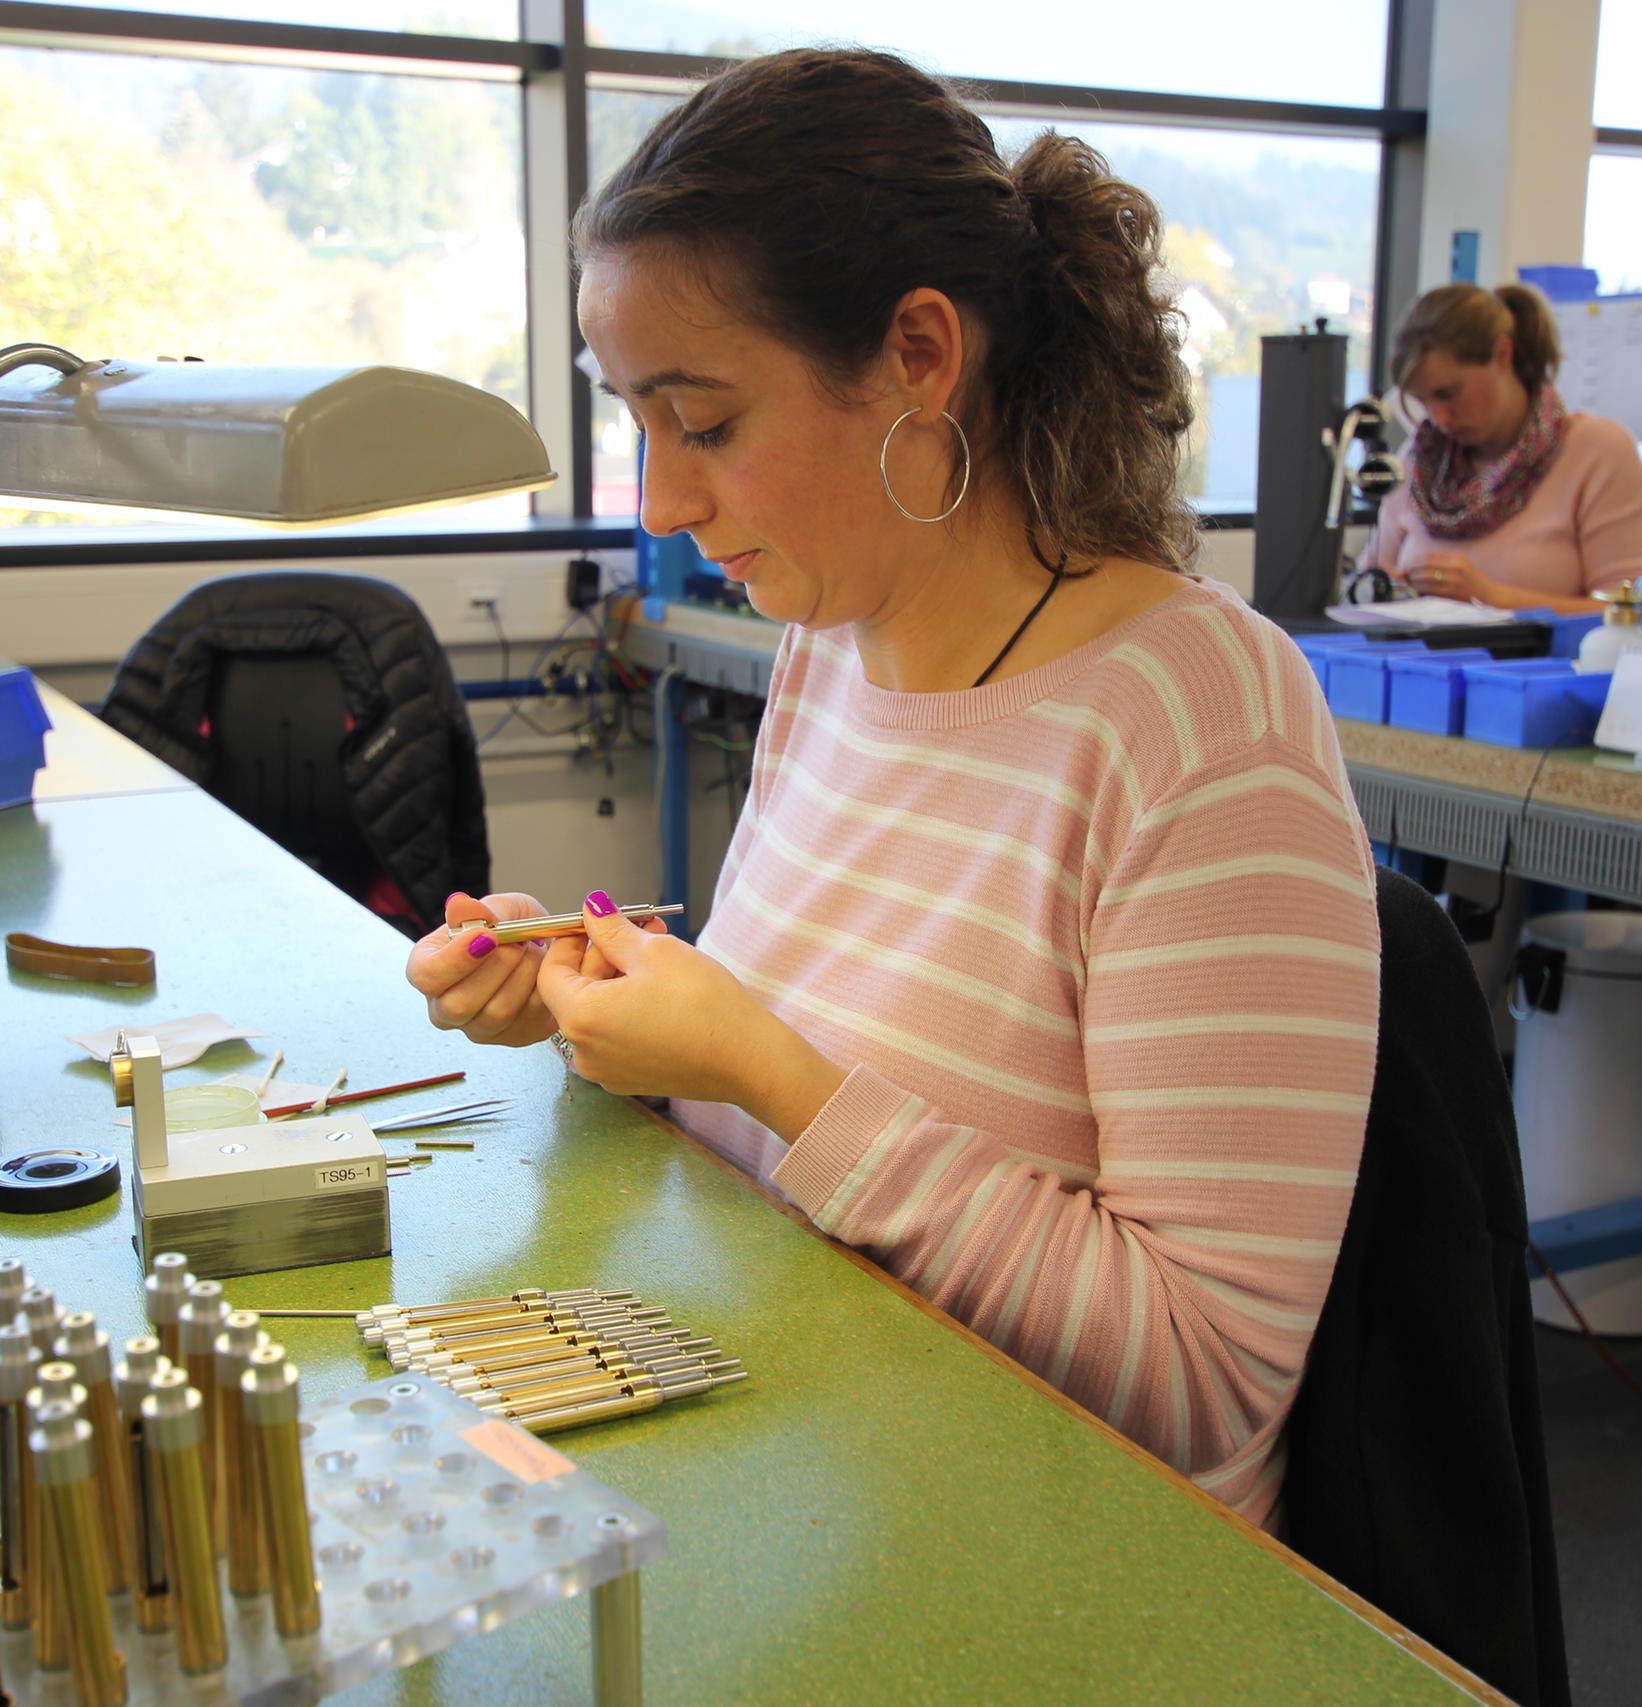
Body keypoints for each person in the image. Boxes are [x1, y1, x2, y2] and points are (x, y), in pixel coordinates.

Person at [405, 48, 1380, 1527]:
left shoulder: (1201, 724)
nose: (661, 500)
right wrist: (597, 1002)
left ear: (921, 352)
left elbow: (1207, 1376)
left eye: (706, 421)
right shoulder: (828, 651)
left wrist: (765, 1069)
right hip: (823, 1453)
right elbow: (804, 1079)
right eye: (636, 421)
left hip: (1078, 1562)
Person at [1369, 282, 1642, 616]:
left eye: (1449, 393)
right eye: (1423, 401)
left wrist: (1492, 598)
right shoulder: (1418, 461)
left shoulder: (1599, 452)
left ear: (1502, 355)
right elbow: (1372, 579)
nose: (1439, 418)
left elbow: (1629, 617)